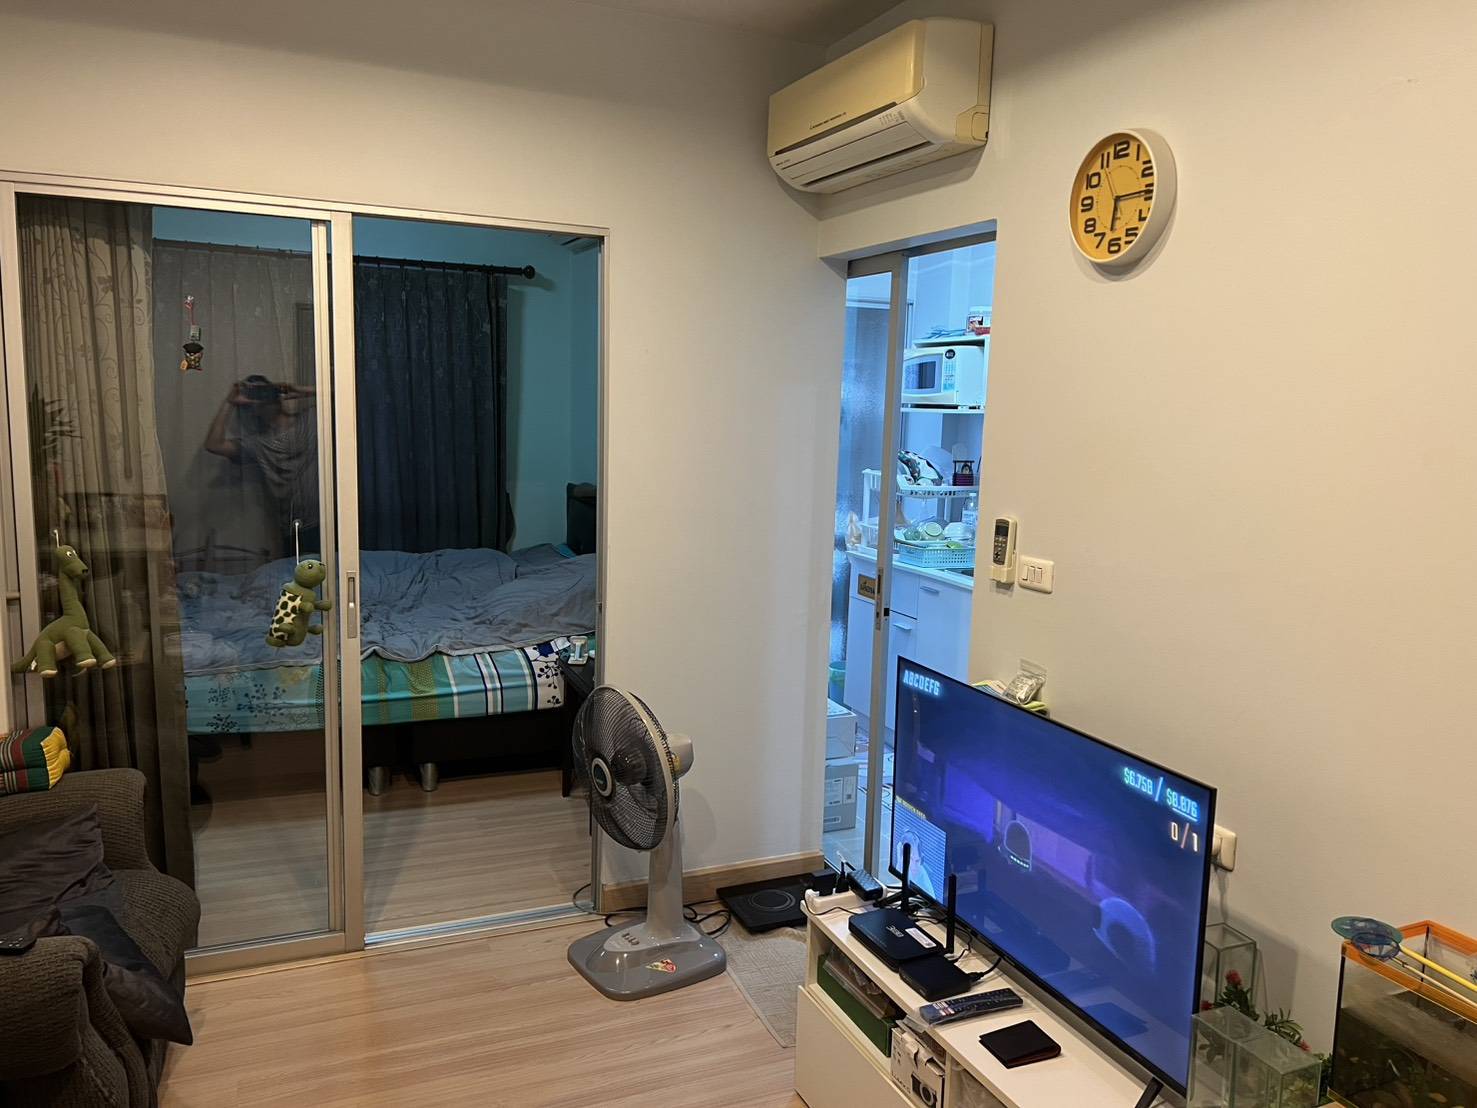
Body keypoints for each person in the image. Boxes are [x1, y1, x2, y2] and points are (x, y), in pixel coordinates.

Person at [204, 375, 320, 554]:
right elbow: (214, 445)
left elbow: (346, 395)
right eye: (256, 395)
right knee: (301, 572)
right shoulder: (258, 444)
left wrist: (300, 390)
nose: (264, 399)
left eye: (266, 391)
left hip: (326, 520)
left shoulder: (311, 420)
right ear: (251, 406)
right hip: (293, 527)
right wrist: (230, 402)